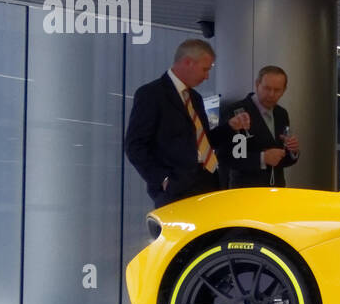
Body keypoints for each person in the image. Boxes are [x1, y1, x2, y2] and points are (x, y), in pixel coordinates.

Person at [125, 39, 250, 207]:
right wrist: (163, 179)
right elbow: (135, 146)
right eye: (205, 69)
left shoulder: (195, 98)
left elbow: (203, 141)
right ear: (188, 62)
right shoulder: (152, 94)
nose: (207, 76)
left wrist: (230, 127)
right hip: (176, 188)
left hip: (208, 181)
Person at [220, 65, 301, 188]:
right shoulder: (236, 111)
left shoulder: (281, 113)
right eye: (267, 88)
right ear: (257, 84)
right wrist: (262, 158)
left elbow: (281, 159)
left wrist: (292, 150)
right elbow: (227, 156)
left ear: (284, 90)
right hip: (246, 190)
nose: (271, 94)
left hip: (276, 189)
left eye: (277, 90)